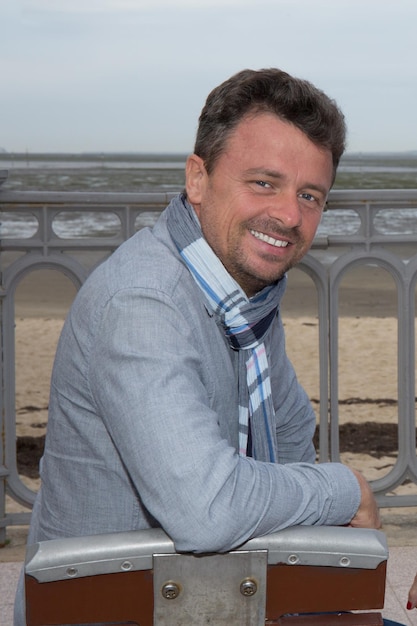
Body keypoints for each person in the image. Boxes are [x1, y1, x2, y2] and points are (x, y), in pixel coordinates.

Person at [15, 68, 381, 623]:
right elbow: (206, 508)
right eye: (264, 182)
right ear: (197, 179)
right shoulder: (144, 303)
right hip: (114, 607)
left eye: (310, 195)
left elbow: (290, 451)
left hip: (209, 599)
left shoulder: (248, 300)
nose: (288, 215)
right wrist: (345, 489)